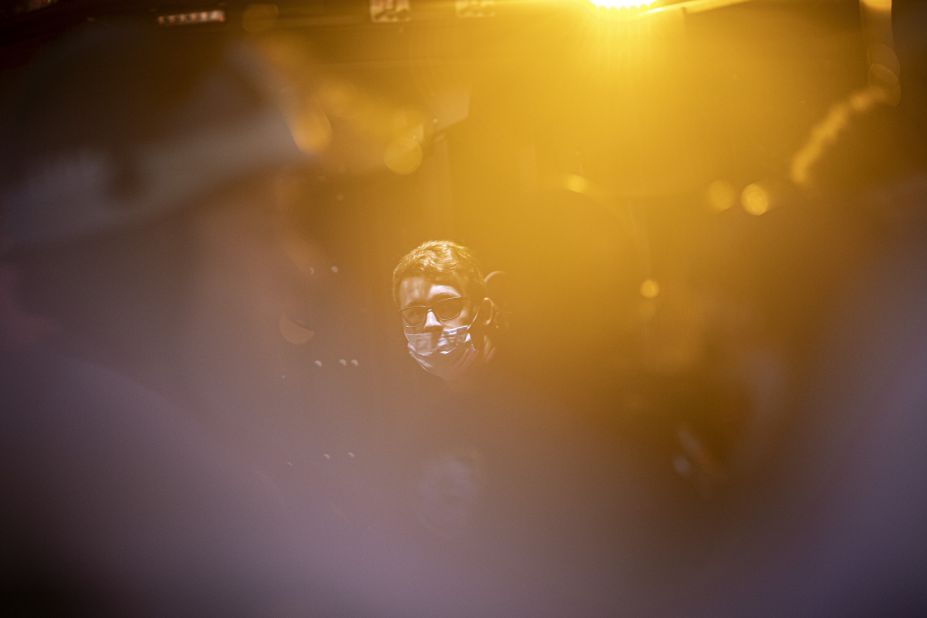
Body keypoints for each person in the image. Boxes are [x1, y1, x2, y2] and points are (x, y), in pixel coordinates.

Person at [392, 240, 502, 389]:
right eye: (415, 312)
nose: (430, 323)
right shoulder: (407, 401)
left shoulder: (532, 390)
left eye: (447, 306)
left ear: (484, 313)